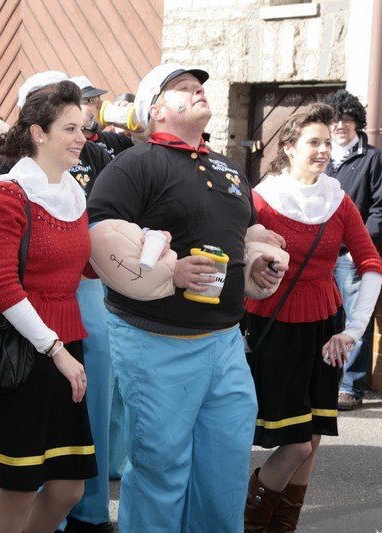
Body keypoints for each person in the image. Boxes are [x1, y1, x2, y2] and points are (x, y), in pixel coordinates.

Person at [87, 63, 282, 532]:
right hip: (156, 339)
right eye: (183, 88)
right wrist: (170, 273)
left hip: (226, 340)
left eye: (199, 88)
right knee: (161, 468)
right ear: (155, 110)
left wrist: (255, 263)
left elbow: (243, 234)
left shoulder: (229, 168)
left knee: (225, 469)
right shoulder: (135, 164)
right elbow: (100, 237)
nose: (197, 92)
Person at [0, 79, 96, 533]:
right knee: (20, 489)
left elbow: (79, 268)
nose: (82, 137)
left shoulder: (72, 191)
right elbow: (0, 286)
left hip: (65, 347)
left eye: (83, 128)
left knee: (68, 489)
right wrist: (55, 350)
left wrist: (142, 248)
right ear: (37, 133)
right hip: (21, 352)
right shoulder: (5, 194)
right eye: (70, 128)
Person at [244, 102, 382, 530]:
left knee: (314, 436)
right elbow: (239, 256)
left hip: (326, 326)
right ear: (289, 147)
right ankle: (250, 522)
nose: (323, 150)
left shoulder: (338, 201)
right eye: (313, 142)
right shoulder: (261, 200)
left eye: (327, 142)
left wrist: (353, 331)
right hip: (274, 325)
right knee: (297, 443)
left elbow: (372, 265)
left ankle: (281, 525)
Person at [323, 89, 382, 410]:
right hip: (322, 256)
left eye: (348, 119)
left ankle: (351, 387)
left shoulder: (374, 160)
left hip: (351, 258)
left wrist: (359, 249)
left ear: (358, 123)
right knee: (326, 319)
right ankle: (327, 380)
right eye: (335, 119)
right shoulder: (323, 157)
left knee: (356, 322)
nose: (340, 125)